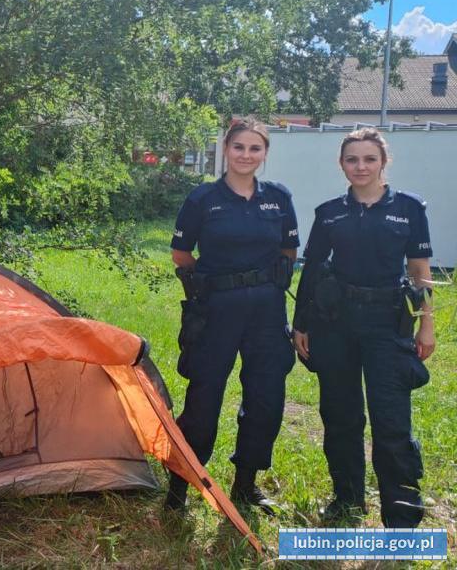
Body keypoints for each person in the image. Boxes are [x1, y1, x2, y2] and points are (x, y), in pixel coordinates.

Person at [293, 127, 434, 528]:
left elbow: (420, 273)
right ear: (342, 164)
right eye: (352, 159)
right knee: (341, 415)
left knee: (391, 420)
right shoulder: (329, 212)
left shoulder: (408, 209)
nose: (361, 166)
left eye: (369, 158)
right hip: (334, 324)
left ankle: (401, 512)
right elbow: (313, 269)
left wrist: (427, 327)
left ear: (383, 162)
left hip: (388, 325)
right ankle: (347, 498)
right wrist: (301, 324)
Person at [165, 118, 299, 515]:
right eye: (239, 147)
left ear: (265, 154)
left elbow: (289, 252)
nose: (246, 155)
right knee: (203, 398)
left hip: (266, 311)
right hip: (216, 310)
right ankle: (181, 485)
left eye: (255, 148)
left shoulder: (279, 197)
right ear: (226, 150)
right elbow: (181, 255)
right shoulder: (202, 199)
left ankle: (245, 484)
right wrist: (212, 288)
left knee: (266, 397)